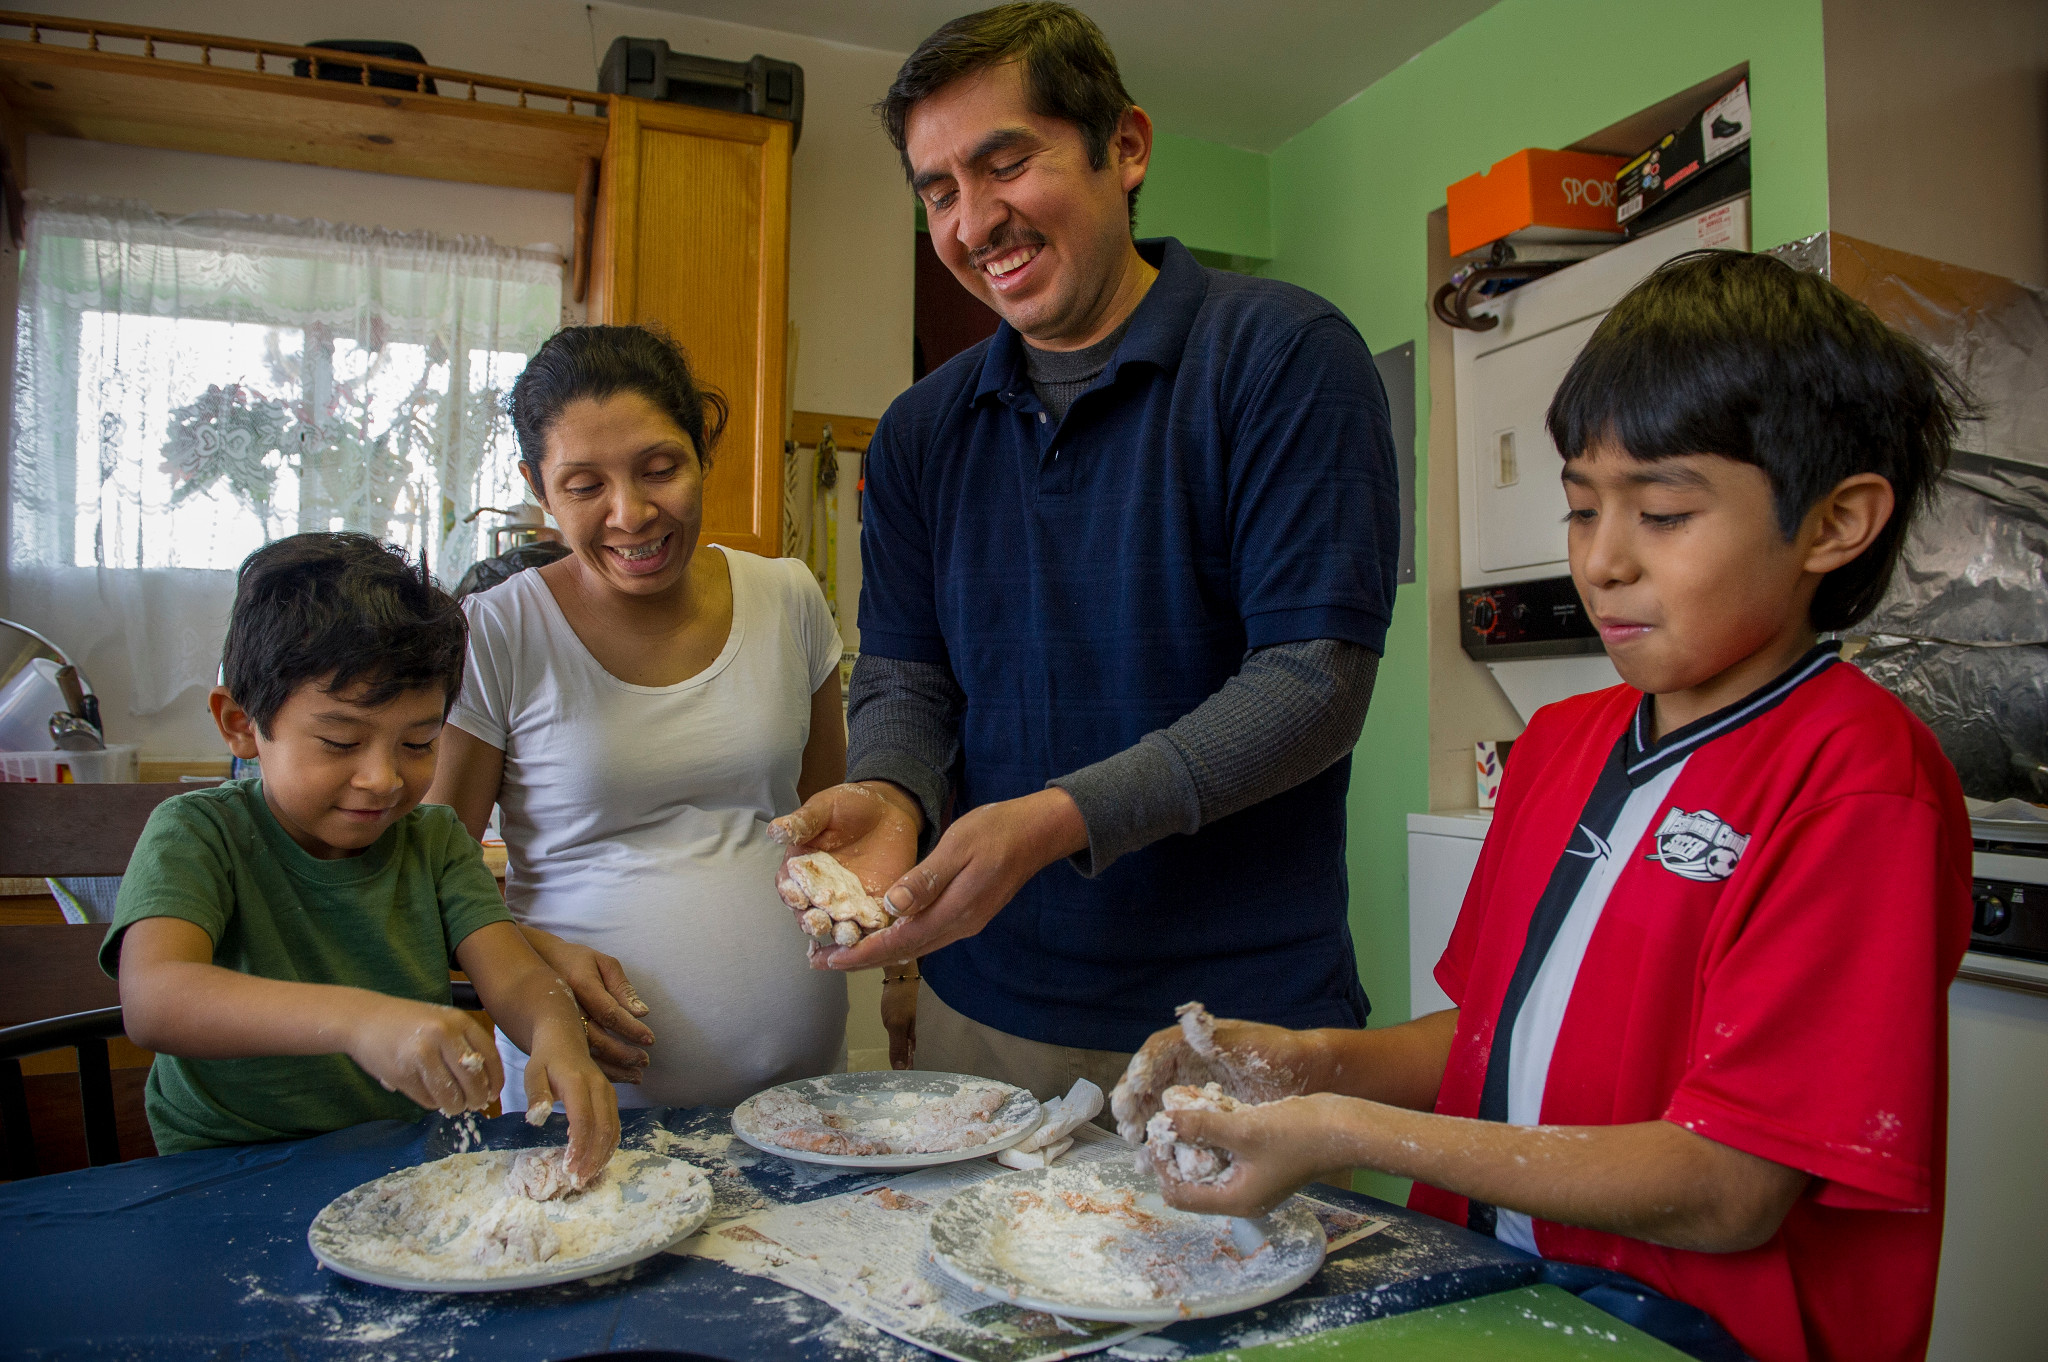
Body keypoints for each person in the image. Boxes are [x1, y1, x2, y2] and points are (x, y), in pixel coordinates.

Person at [1115, 252, 1974, 1362]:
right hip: (1495, 1287)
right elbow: (1487, 1045)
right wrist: (1298, 1062)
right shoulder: (1563, 746)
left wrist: (1343, 1132)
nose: (1600, 562)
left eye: (1660, 514)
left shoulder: (1856, 781)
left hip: (1698, 1333)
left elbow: (1728, 1186)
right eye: (1578, 509)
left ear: (1833, 523)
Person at [771, 2, 1400, 1095]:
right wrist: (892, 789)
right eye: (937, 192)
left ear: (1125, 147)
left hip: (1236, 1022)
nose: (973, 223)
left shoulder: (1283, 358)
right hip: (988, 1010)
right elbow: (909, 676)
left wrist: (1058, 820)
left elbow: (1312, 684)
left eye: (1004, 163)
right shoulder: (920, 430)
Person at [105, 534, 619, 1181]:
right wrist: (359, 1020)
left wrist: (559, 1040)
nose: (382, 778)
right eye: (340, 740)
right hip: (229, 1171)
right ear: (240, 723)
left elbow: (515, 977)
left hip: (402, 1164)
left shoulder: (433, 842)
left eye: (417, 742)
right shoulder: (199, 834)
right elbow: (155, 999)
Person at [426, 326, 850, 1110]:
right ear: (538, 487)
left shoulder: (789, 597)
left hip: (804, 1095)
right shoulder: (497, 629)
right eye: (585, 486)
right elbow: (430, 876)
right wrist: (531, 954)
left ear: (702, 452)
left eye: (661, 469)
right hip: (600, 1106)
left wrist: (900, 967)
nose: (632, 513)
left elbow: (834, 832)